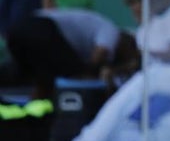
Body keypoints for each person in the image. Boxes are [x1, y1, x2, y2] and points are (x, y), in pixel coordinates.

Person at [6, 8, 140, 100]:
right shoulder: (111, 31)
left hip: (17, 30)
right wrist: (99, 76)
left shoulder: (88, 38)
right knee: (80, 77)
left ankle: (33, 119)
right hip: (42, 28)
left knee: (33, 79)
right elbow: (98, 57)